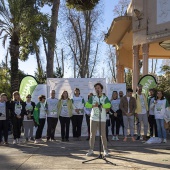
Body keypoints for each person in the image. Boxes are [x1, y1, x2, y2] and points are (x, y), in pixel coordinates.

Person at [85, 83, 111, 157]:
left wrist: (101, 105)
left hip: (102, 119)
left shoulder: (105, 97)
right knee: (92, 135)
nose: (97, 89)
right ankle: (91, 150)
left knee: (103, 135)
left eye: (98, 88)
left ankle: (105, 150)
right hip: (93, 118)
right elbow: (87, 105)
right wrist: (93, 105)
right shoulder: (92, 97)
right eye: (96, 88)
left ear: (101, 89)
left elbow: (109, 105)